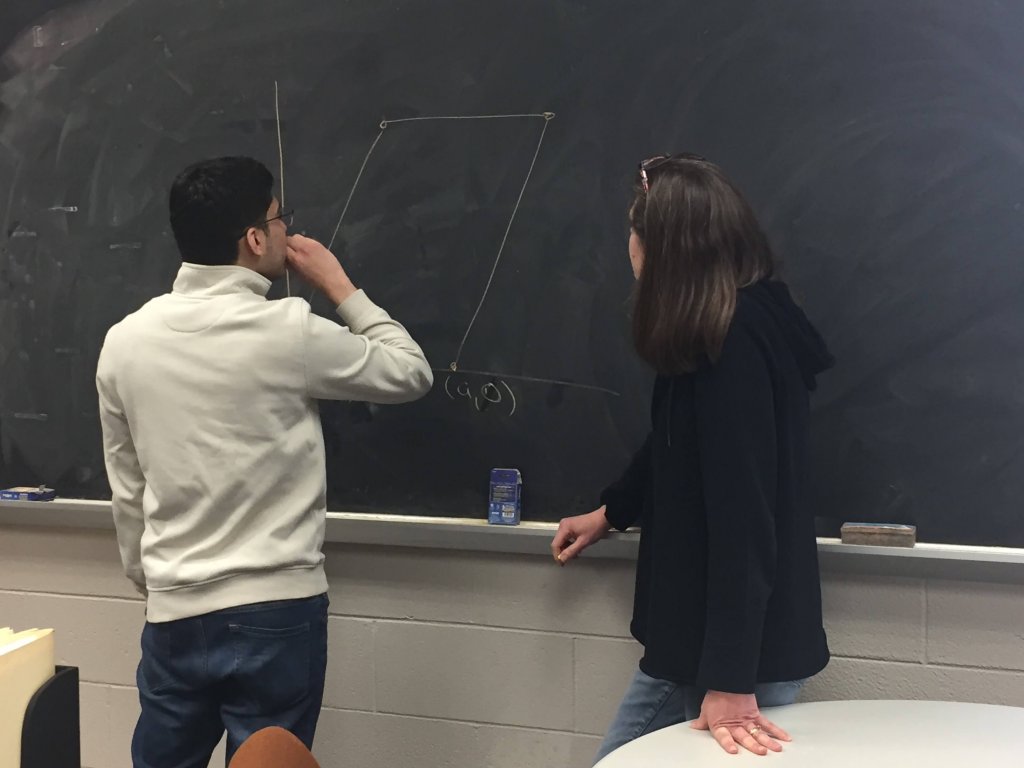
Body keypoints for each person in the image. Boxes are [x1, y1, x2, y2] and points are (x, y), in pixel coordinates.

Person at [96, 156, 433, 767]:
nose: (286, 233)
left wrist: (158, 584)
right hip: (278, 609)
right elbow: (410, 371)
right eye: (279, 221)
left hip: (175, 608)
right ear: (254, 239)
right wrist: (340, 286)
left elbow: (127, 488)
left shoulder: (124, 342)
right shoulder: (289, 330)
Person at [551, 153, 834, 763]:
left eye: (636, 231)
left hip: (731, 660)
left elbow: (745, 516)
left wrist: (730, 680)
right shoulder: (723, 325)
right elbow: (679, 440)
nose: (628, 246)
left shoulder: (733, 346)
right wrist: (612, 511)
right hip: (713, 643)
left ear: (666, 249)